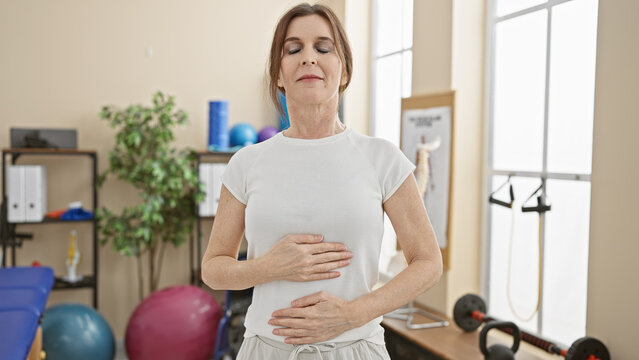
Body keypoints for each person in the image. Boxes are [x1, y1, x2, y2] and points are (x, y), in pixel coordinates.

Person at [201, 3, 443, 359]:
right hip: (266, 350)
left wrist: (352, 314)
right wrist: (267, 267)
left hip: (355, 348)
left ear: (343, 71)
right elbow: (213, 269)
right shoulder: (247, 163)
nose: (308, 58)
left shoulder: (382, 158)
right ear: (278, 76)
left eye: (323, 48)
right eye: (293, 49)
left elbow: (427, 262)